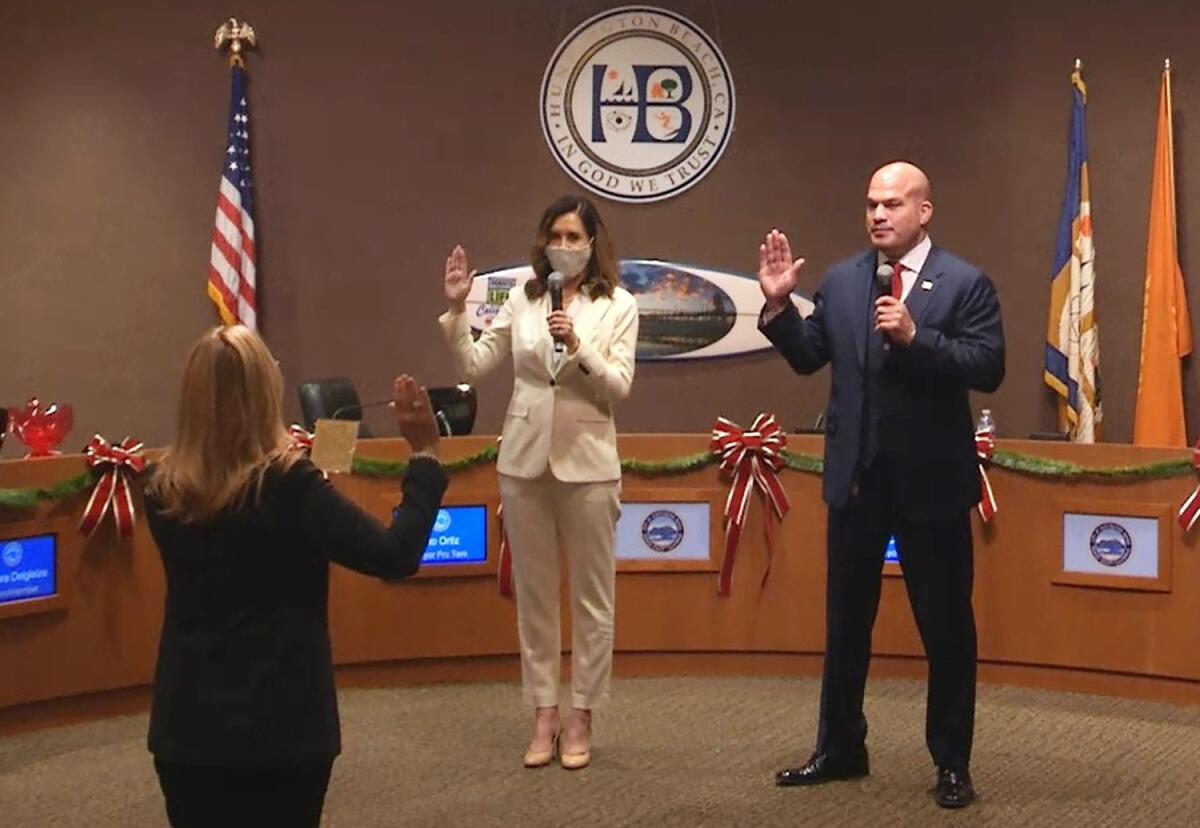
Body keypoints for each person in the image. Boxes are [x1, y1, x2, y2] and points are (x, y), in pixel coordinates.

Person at [757, 162, 1004, 809]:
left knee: (946, 630)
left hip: (932, 490)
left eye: (892, 203)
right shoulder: (841, 283)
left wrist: (919, 338)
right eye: (871, 203)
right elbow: (811, 353)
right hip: (857, 486)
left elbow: (988, 365)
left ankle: (952, 763)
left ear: (924, 212)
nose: (878, 214)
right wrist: (781, 305)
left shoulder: (965, 284)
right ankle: (840, 748)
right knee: (845, 627)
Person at [144, 325, 447, 828]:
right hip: (282, 728)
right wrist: (425, 457)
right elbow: (394, 555)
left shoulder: (159, 489)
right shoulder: (289, 485)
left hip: (186, 727)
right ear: (267, 394)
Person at [439, 194, 638, 770]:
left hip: (589, 460)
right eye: (557, 236)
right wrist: (456, 312)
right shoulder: (524, 300)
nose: (566, 247)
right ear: (543, 241)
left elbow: (618, 386)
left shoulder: (618, 305)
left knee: (592, 600)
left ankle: (583, 713)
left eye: (576, 238)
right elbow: (472, 367)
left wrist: (578, 348)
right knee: (534, 598)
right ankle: (544, 711)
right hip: (524, 461)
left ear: (594, 244)